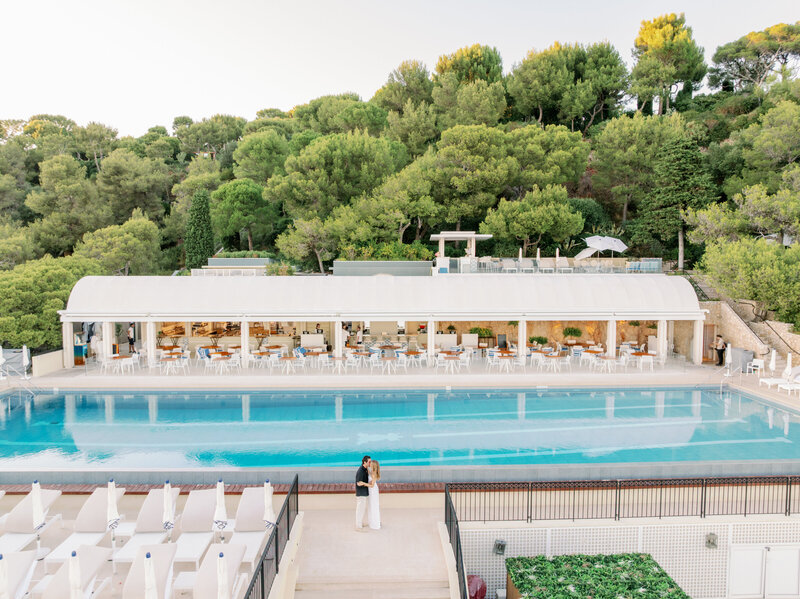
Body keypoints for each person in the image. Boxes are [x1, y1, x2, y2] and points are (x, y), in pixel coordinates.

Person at [355, 455, 371, 530]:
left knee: (362, 509)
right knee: (360, 509)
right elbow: (358, 483)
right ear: (365, 462)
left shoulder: (365, 469)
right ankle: (358, 526)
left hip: (364, 492)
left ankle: (360, 522)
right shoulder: (360, 471)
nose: (370, 463)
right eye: (369, 462)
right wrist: (367, 484)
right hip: (361, 493)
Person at [368, 460, 381, 530]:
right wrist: (367, 468)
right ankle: (372, 521)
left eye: (370, 463)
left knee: (374, 505)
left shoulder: (374, 473)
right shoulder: (373, 472)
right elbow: (371, 475)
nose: (369, 464)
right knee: (371, 505)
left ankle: (375, 523)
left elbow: (372, 485)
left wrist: (363, 484)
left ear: (373, 466)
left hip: (373, 490)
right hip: (372, 490)